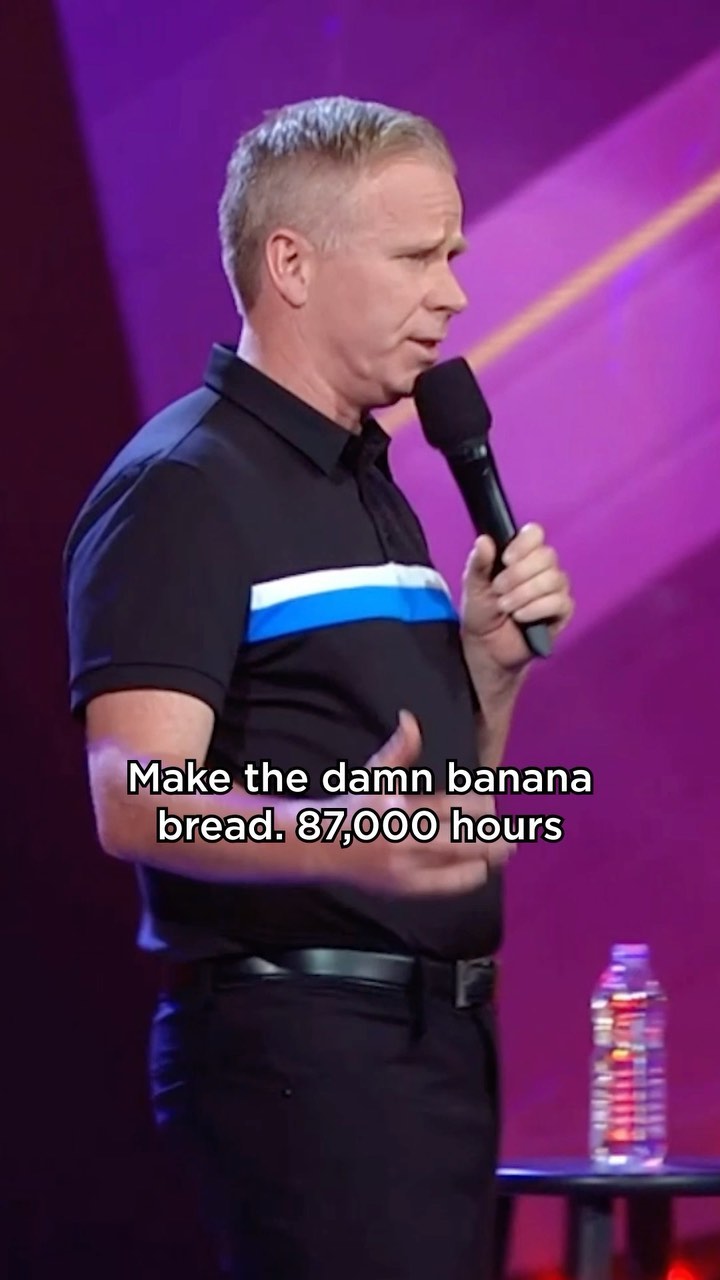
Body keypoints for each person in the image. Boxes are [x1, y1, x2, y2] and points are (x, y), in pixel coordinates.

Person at [63, 96, 574, 1280]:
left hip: (431, 1049)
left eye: (452, 255)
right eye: (416, 257)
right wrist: (338, 838)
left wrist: (488, 677)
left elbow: (434, 818)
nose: (452, 294)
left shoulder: (369, 483)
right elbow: (132, 796)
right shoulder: (186, 486)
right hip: (307, 1058)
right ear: (290, 265)